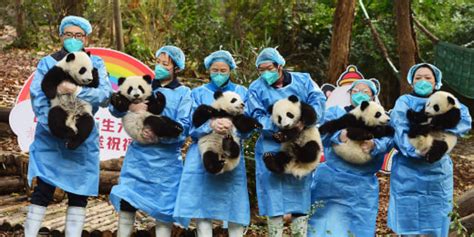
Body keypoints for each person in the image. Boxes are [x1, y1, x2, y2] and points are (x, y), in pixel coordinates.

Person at [24, 16, 112, 237]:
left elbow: (105, 95)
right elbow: (38, 96)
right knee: (43, 189)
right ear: (61, 35)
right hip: (49, 139)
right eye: (69, 35)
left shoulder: (96, 63)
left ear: (86, 38)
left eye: (78, 35)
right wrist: (55, 126)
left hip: (82, 141)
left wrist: (77, 91)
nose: (73, 39)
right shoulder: (48, 62)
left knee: (79, 193)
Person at [109, 45, 192, 237]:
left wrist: (159, 136)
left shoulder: (183, 93)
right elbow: (117, 108)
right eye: (158, 62)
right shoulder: (142, 85)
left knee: (164, 211)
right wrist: (129, 106)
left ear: (176, 68)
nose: (160, 67)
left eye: (166, 64)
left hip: (166, 163)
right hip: (138, 159)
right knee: (127, 203)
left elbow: (184, 127)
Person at [247, 47, 326, 237]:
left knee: (300, 195)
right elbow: (257, 115)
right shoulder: (256, 88)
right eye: (261, 70)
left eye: (269, 68)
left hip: (300, 141)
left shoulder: (304, 81)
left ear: (279, 66)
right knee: (273, 199)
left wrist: (302, 122)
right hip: (271, 144)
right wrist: (278, 128)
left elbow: (318, 101)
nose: (266, 73)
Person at [173, 50, 253, 237]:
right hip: (202, 155)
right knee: (203, 208)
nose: (218, 73)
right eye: (215, 69)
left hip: (230, 153)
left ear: (230, 70)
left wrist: (232, 127)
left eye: (223, 70)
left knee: (235, 208)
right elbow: (191, 128)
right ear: (208, 70)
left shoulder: (241, 92)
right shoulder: (198, 93)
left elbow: (248, 128)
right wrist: (210, 125)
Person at [388, 63, 472, 236]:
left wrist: (440, 126)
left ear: (436, 82)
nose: (423, 81)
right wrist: (417, 150)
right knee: (408, 223)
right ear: (411, 81)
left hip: (437, 172)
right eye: (418, 78)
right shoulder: (404, 102)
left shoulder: (446, 98)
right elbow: (399, 128)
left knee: (437, 220)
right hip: (407, 173)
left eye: (428, 78)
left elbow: (464, 120)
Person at [308, 79, 393, 237]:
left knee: (359, 227)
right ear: (349, 94)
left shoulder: (380, 117)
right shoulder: (336, 113)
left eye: (366, 92)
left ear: (374, 97)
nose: (360, 94)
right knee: (324, 226)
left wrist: (375, 145)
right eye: (355, 91)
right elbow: (322, 135)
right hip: (331, 180)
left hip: (362, 186)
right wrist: (338, 136)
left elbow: (389, 139)